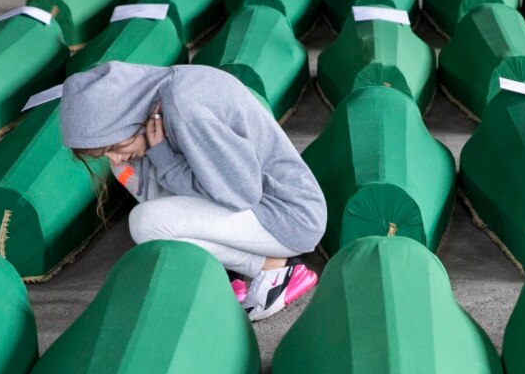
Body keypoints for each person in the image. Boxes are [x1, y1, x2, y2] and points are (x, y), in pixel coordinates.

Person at [59, 61, 327, 321]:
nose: (113, 157)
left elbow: (242, 194)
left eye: (112, 146)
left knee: (145, 223)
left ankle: (273, 267)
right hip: (255, 211)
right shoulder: (155, 101)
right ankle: (226, 270)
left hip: (286, 215)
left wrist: (163, 156)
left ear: (122, 118)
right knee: (128, 169)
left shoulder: (185, 109)